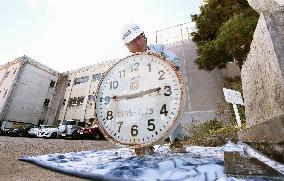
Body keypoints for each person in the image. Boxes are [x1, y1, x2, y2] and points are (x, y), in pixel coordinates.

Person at [121, 23, 186, 154]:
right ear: (128, 47)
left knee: (173, 111)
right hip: (144, 96)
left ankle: (176, 141)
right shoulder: (128, 65)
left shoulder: (159, 49)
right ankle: (146, 143)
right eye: (133, 42)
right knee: (144, 115)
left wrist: (163, 65)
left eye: (139, 38)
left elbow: (175, 60)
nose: (138, 43)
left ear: (144, 37)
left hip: (165, 89)